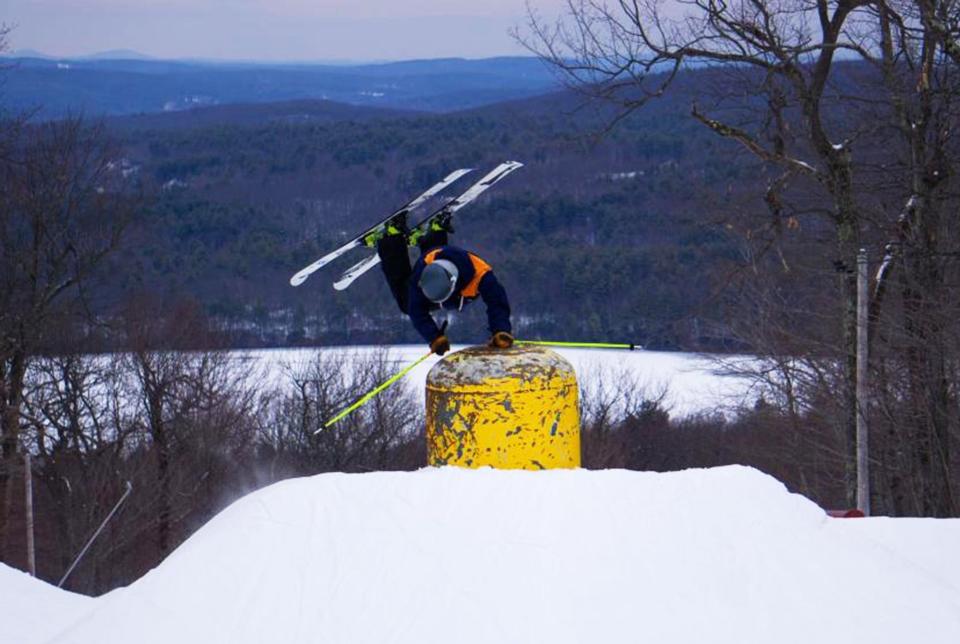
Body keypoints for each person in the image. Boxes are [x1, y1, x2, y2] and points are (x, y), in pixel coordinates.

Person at [370, 214, 513, 355]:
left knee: (416, 297)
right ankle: (390, 240)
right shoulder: (423, 270)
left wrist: (501, 330)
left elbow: (497, 302)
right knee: (406, 301)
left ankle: (432, 233)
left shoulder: (481, 274)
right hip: (439, 274)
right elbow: (416, 309)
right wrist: (434, 337)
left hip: (459, 293)